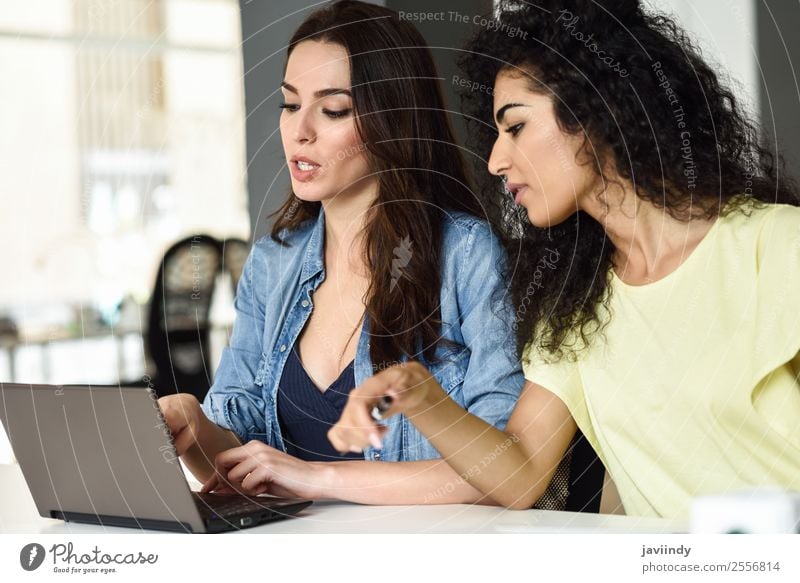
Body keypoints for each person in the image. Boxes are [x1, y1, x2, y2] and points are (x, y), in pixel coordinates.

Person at [329, 0, 800, 518]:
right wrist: (420, 394)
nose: (495, 159)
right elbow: (521, 473)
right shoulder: (575, 304)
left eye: (517, 126)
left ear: (595, 111)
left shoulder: (778, 248)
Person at [157, 0, 529, 506]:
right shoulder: (272, 264)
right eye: (290, 104)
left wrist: (314, 478)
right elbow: (238, 462)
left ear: (390, 120)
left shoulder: (466, 255)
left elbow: (499, 471)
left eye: (333, 110)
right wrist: (193, 427)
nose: (299, 130)